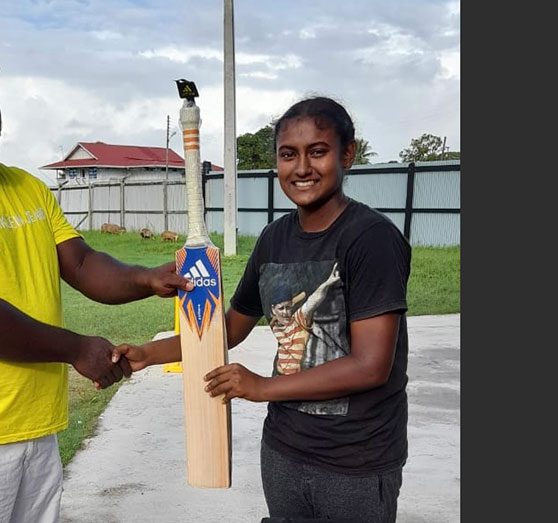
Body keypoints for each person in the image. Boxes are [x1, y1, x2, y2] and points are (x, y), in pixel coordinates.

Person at [0, 30, 193, 523]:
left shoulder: (25, 186)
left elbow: (82, 265)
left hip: (33, 423)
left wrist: (149, 278)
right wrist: (76, 349)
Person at [114, 96, 411, 522]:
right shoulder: (274, 239)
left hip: (356, 462)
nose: (302, 168)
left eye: (318, 152)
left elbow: (370, 366)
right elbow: (230, 329)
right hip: (284, 451)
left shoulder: (370, 239)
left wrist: (261, 387)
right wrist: (148, 353)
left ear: (348, 154)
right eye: (289, 154)